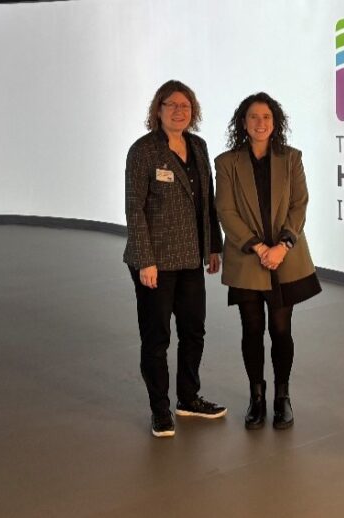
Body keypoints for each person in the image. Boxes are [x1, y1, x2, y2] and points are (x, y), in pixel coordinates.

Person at [124, 80, 226, 438]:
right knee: (156, 338)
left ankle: (188, 398)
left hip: (191, 259)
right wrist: (145, 259)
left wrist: (214, 246)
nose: (179, 111)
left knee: (193, 332)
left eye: (186, 105)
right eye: (172, 105)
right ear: (158, 110)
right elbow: (134, 209)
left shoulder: (198, 146)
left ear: (193, 111)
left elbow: (207, 203)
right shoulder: (143, 151)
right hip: (155, 262)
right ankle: (160, 410)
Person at [215, 92, 321, 430]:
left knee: (280, 329)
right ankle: (256, 397)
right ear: (243, 123)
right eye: (253, 117)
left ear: (275, 123)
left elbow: (299, 204)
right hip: (248, 258)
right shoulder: (227, 162)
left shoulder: (291, 159)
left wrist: (282, 245)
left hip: (285, 258)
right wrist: (259, 248)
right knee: (252, 329)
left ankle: (282, 397)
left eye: (266, 117)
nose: (260, 123)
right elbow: (226, 211)